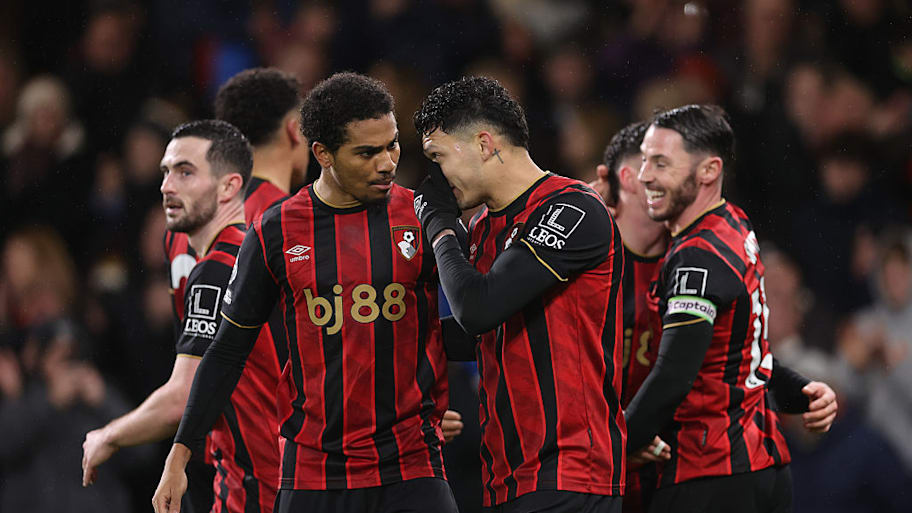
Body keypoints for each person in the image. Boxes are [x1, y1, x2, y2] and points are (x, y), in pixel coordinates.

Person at [153, 72, 456, 513]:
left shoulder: (420, 214)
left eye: (392, 144)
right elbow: (227, 350)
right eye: (367, 152)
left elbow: (471, 317)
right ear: (323, 153)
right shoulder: (276, 230)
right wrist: (178, 456)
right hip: (315, 474)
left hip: (412, 466)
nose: (387, 162)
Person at [413, 76, 625, 512]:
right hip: (506, 477)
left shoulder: (571, 208)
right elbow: (477, 332)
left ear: (485, 143)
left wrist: (438, 228)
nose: (434, 176)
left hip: (570, 472)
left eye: (438, 157)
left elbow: (479, 307)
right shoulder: (481, 229)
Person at [623, 105, 837, 513]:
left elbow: (674, 375)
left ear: (708, 171)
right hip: (763, 467)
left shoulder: (696, 257)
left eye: (661, 163)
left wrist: (615, 447)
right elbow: (737, 349)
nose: (646, 175)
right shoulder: (734, 224)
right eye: (645, 160)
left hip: (709, 475)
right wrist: (796, 389)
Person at [161, 68, 309, 513]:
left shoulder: (191, 223)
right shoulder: (296, 222)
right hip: (286, 458)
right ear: (294, 130)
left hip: (213, 446)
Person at [81, 120, 252, 504]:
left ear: (230, 186)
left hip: (252, 471)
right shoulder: (178, 240)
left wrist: (108, 434)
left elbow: (183, 395)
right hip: (213, 456)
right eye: (166, 171)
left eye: (185, 172)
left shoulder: (222, 265)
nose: (167, 186)